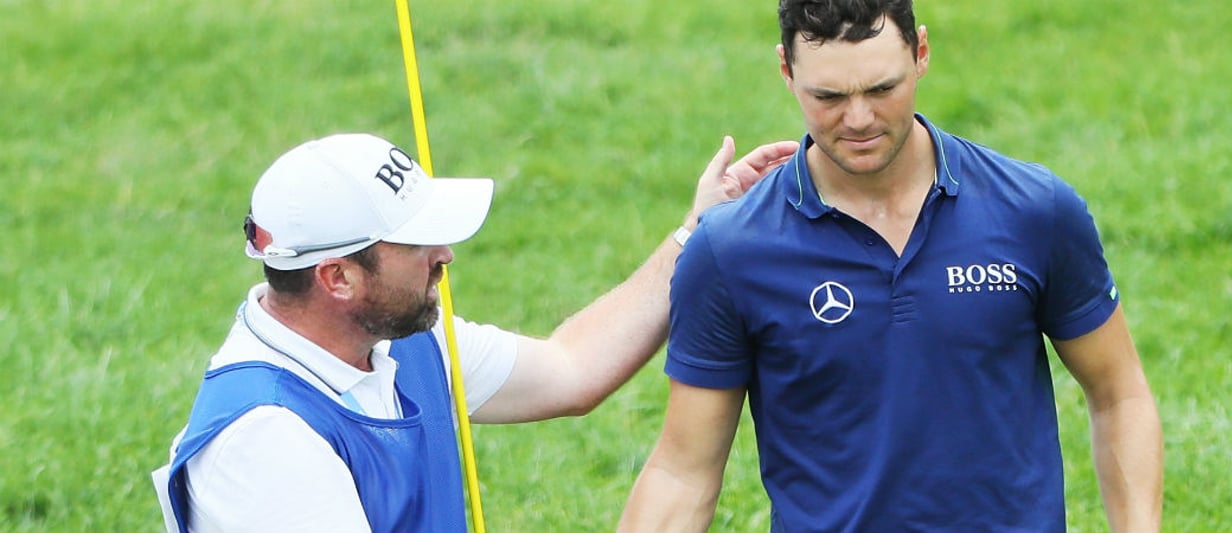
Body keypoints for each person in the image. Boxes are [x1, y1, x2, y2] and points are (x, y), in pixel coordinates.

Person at [617, 1, 1164, 532]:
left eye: (882, 89)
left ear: (921, 52)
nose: (859, 119)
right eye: (828, 96)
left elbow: (1120, 394)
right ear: (785, 70)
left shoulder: (1033, 211)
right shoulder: (732, 251)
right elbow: (683, 473)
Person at [152, 131, 798, 533]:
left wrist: (697, 229)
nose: (445, 253)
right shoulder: (264, 438)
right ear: (339, 277)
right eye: (417, 243)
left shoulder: (399, 343)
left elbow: (571, 370)